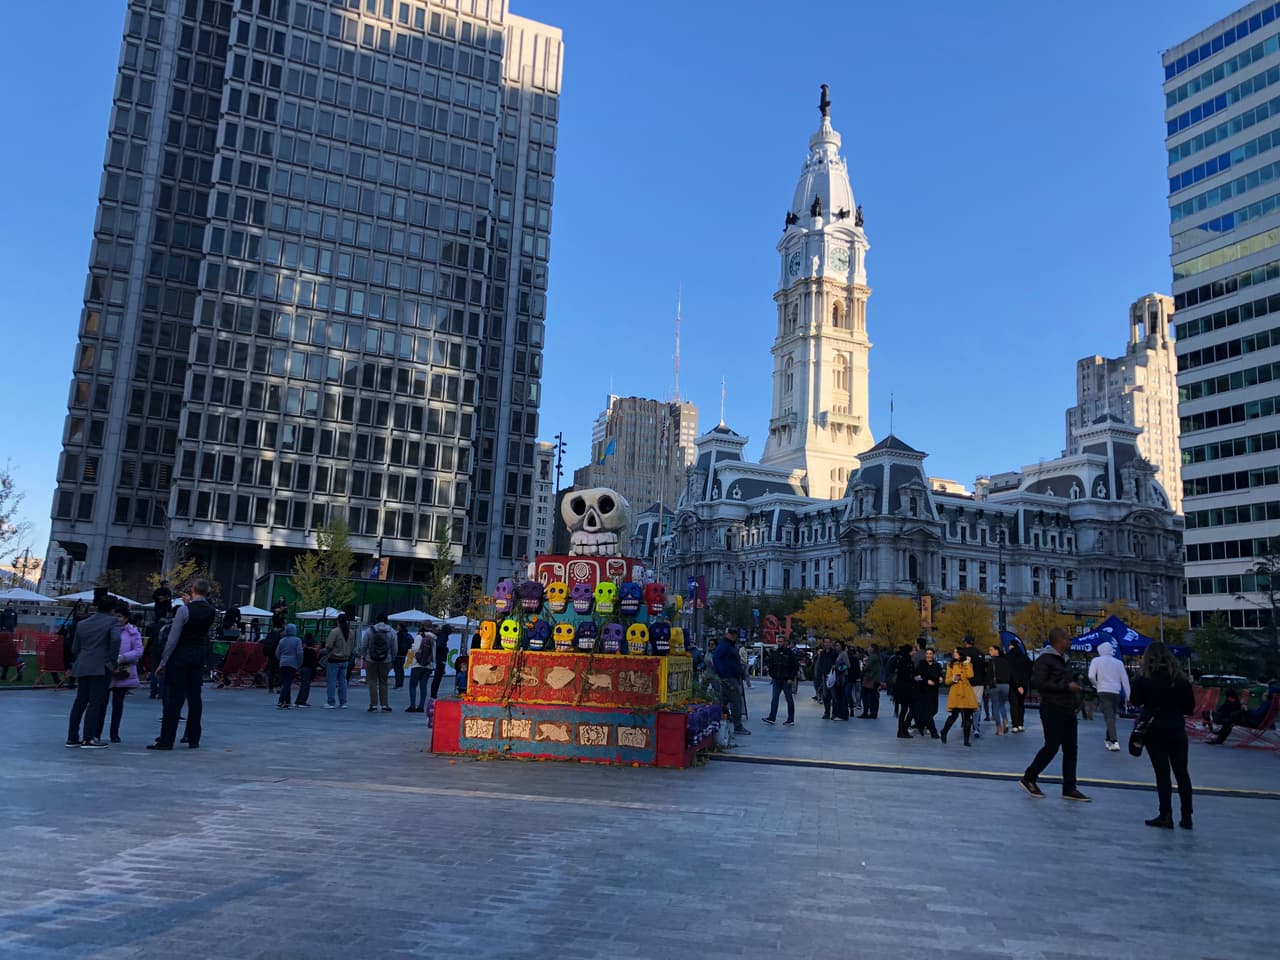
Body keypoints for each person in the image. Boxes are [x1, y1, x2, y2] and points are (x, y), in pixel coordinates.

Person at [1019, 627, 1091, 801]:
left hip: (1067, 708)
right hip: (1052, 707)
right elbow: (1038, 682)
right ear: (1060, 641)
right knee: (1052, 745)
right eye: (1068, 639)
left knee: (1071, 749)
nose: (1070, 642)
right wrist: (1066, 687)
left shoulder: (1064, 659)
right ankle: (1029, 777)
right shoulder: (1045, 659)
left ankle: (1069, 787)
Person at [1130, 641, 1195, 829]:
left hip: (1154, 728)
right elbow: (1189, 707)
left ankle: (1166, 814)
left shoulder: (1143, 678)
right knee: (1182, 772)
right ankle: (1187, 815)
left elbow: (1135, 701)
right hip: (1176, 727)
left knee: (1162, 773)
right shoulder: (1180, 679)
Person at [150, 580, 215, 751]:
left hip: (180, 656)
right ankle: (193, 738)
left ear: (192, 590)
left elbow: (173, 639)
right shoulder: (211, 611)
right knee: (195, 698)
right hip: (198, 656)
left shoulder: (183, 610)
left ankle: (166, 739)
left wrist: (163, 661)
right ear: (207, 592)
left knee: (174, 698)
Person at [65, 591, 122, 749]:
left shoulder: (83, 623)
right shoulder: (112, 622)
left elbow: (75, 646)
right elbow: (116, 639)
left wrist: (80, 656)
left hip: (83, 663)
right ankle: (89, 737)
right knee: (95, 702)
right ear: (112, 609)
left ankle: (72, 736)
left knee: (80, 700)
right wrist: (111, 659)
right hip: (101, 665)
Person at [107, 607, 144, 743]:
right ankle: (96, 732)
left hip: (123, 671)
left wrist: (123, 657)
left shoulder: (133, 632)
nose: (117, 619)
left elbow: (138, 650)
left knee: (118, 704)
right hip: (108, 669)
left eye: (120, 616)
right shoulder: (109, 629)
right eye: (115, 616)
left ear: (126, 618)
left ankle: (114, 732)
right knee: (101, 703)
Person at [1088, 641, 1131, 752]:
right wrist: (1128, 695)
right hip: (1115, 691)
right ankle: (1109, 738)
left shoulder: (1096, 661)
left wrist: (1096, 684)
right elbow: (1125, 680)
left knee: (1109, 717)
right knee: (1112, 715)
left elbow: (1091, 675)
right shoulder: (1118, 663)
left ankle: (1114, 741)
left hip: (1103, 690)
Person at [713, 628, 750, 736]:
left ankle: (717, 719)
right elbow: (716, 658)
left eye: (735, 634)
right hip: (729, 677)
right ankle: (737, 726)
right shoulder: (725, 646)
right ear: (727, 634)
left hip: (732, 676)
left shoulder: (730, 646)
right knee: (736, 700)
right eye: (732, 634)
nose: (734, 636)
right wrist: (723, 674)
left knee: (723, 700)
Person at [940, 649, 978, 746]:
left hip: (966, 693)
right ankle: (944, 732)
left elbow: (970, 675)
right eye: (954, 652)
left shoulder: (967, 664)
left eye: (956, 652)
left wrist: (967, 663)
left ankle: (966, 740)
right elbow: (947, 681)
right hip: (956, 692)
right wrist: (953, 679)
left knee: (967, 717)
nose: (954, 654)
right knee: (954, 715)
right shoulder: (950, 665)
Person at [361, 612, 397, 712]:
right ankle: (385, 705)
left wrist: (364, 656)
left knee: (372, 681)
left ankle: (373, 705)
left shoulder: (369, 630)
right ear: (386, 620)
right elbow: (394, 647)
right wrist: (392, 659)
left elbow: (364, 645)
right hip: (386, 660)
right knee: (383, 682)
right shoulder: (392, 631)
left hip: (370, 659)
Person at [762, 636, 799, 726]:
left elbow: (795, 667)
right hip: (777, 679)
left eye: (781, 642)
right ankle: (772, 717)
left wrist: (791, 678)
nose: (779, 643)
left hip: (786, 680)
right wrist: (770, 671)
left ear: (785, 642)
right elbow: (770, 663)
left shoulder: (790, 654)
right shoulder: (775, 653)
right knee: (775, 699)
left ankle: (790, 719)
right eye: (778, 642)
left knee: (789, 699)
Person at [324, 613, 354, 708]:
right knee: (343, 681)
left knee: (332, 681)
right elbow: (352, 646)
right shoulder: (351, 632)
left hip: (334, 659)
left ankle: (331, 701)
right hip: (345, 659)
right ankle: (343, 702)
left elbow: (329, 645)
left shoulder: (335, 631)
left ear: (337, 621)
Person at [960, 635, 987, 738]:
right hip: (979, 682)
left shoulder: (963, 652)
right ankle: (976, 727)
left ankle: (965, 722)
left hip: (966, 682)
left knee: (965, 704)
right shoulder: (980, 653)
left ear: (966, 642)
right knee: (977, 705)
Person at [913, 647, 942, 739]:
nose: (929, 655)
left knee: (934, 710)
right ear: (925, 655)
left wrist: (941, 678)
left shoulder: (937, 665)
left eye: (930, 654)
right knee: (928, 713)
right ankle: (933, 731)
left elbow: (940, 674)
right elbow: (916, 677)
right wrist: (926, 681)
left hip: (934, 691)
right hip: (923, 691)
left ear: (933, 655)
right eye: (927, 653)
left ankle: (920, 725)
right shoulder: (921, 664)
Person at [407, 627, 437, 712]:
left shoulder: (419, 637)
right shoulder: (433, 638)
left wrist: (410, 661)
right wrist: (433, 665)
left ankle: (412, 705)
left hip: (417, 665)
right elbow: (434, 653)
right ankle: (421, 706)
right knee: (423, 686)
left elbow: (415, 650)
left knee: (413, 685)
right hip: (428, 666)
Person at [1006, 641, 1032, 733]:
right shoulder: (1024, 657)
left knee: (1014, 704)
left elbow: (1010, 671)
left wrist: (1017, 685)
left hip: (1013, 684)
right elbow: (1030, 669)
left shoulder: (1009, 657)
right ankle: (1021, 724)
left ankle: (1015, 725)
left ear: (1011, 646)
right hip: (1024, 682)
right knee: (1021, 704)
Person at [987, 642, 1012, 736]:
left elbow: (989, 674)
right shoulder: (1006, 661)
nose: (989, 652)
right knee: (1002, 705)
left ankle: (999, 728)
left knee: (996, 706)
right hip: (1006, 685)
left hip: (995, 685)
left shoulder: (992, 661)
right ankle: (1005, 721)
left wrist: (987, 685)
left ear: (996, 651)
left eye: (991, 650)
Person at [275, 624, 302, 709]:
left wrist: (281, 659)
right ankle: (282, 700)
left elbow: (277, 653)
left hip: (283, 662)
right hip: (293, 663)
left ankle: (287, 701)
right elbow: (299, 653)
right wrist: (299, 663)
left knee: (285, 682)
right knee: (288, 682)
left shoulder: (282, 640)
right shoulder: (297, 640)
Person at [893, 644, 917, 738]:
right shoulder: (906, 661)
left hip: (903, 689)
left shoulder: (902, 660)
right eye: (912, 651)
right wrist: (913, 678)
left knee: (906, 710)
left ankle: (902, 729)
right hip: (906, 689)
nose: (914, 652)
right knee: (906, 710)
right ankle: (902, 729)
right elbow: (906, 675)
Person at [814, 639, 837, 717]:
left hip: (832, 676)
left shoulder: (834, 653)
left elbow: (837, 663)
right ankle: (827, 712)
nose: (827, 644)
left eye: (828, 642)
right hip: (824, 676)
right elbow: (820, 664)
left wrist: (834, 667)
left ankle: (834, 713)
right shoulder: (822, 653)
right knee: (825, 695)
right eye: (825, 642)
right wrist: (819, 674)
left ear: (831, 643)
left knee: (834, 696)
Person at [429, 623, 452, 701]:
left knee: (437, 677)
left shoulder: (440, 634)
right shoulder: (443, 635)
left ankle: (433, 694)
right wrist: (445, 649)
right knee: (438, 677)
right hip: (440, 658)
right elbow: (439, 645)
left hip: (438, 657)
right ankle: (433, 695)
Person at [830, 642, 851, 721]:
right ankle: (840, 714)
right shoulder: (839, 654)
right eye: (836, 645)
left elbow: (848, 665)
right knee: (839, 696)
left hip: (842, 678)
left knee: (842, 696)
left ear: (842, 647)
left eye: (838, 645)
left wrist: (838, 667)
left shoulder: (844, 654)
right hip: (838, 678)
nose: (836, 647)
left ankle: (843, 715)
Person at [860, 644, 882, 718]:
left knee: (864, 695)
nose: (868, 648)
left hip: (871, 679)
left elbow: (867, 667)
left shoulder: (872, 657)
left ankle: (866, 712)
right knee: (874, 696)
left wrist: (863, 669)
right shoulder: (877, 656)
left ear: (873, 649)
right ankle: (873, 713)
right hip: (876, 679)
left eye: (869, 647)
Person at [295, 632, 317, 707]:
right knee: (306, 686)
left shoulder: (303, 651)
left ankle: (298, 700)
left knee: (302, 685)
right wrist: (314, 674)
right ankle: (302, 701)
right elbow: (314, 664)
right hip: (309, 669)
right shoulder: (313, 652)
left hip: (302, 668)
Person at [393, 622, 413, 689]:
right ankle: (401, 684)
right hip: (404, 654)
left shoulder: (398, 635)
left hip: (397, 654)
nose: (397, 627)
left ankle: (397, 684)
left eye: (398, 626)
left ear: (400, 627)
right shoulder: (407, 634)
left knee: (397, 670)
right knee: (401, 669)